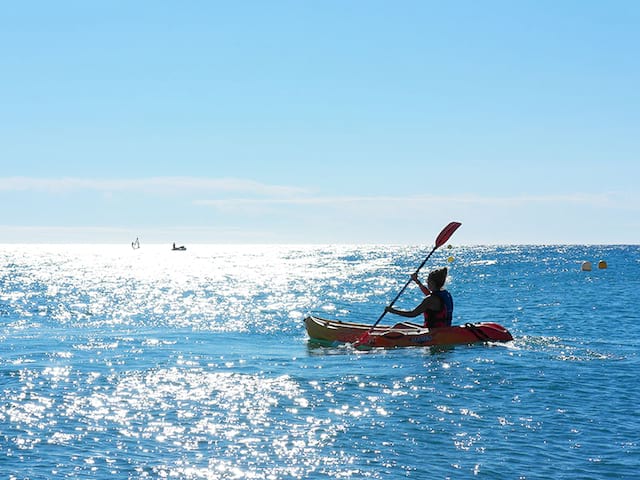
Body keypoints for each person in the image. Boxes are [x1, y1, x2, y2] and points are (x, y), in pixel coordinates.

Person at [384, 267, 453, 328]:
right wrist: (417, 282)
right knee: (405, 324)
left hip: (433, 333)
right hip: (444, 329)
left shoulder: (430, 299)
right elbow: (428, 294)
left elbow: (412, 314)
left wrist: (392, 311)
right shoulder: (446, 294)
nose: (426, 282)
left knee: (399, 326)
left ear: (432, 283)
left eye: (427, 281)